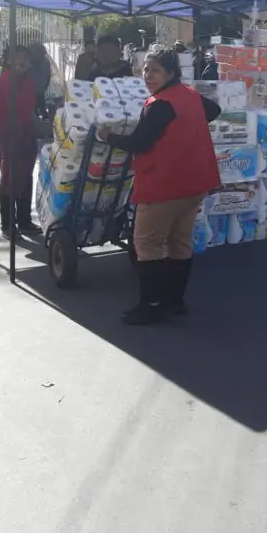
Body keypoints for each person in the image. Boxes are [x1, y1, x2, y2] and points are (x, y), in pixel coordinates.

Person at [96, 46, 222, 325]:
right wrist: (185, 132)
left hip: (165, 183)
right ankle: (174, 301)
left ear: (171, 73)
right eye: (145, 69)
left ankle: (151, 304)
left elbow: (140, 142)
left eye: (155, 70)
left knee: (147, 242)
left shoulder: (161, 105)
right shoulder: (188, 95)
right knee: (179, 242)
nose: (148, 75)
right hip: (195, 180)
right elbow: (215, 109)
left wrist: (109, 136)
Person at [0, 44, 41, 239]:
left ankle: (24, 221)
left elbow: (31, 107)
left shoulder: (29, 83)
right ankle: (8, 225)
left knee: (26, 179)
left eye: (26, 57)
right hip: (7, 139)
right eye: (19, 57)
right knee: (9, 181)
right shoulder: (0, 83)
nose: (23, 61)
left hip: (26, 137)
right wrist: (9, 128)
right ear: (8, 60)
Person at [28, 42, 51, 119]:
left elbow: (48, 75)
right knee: (34, 112)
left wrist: (45, 86)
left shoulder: (46, 62)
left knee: (41, 109)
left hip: (39, 90)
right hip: (32, 92)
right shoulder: (29, 63)